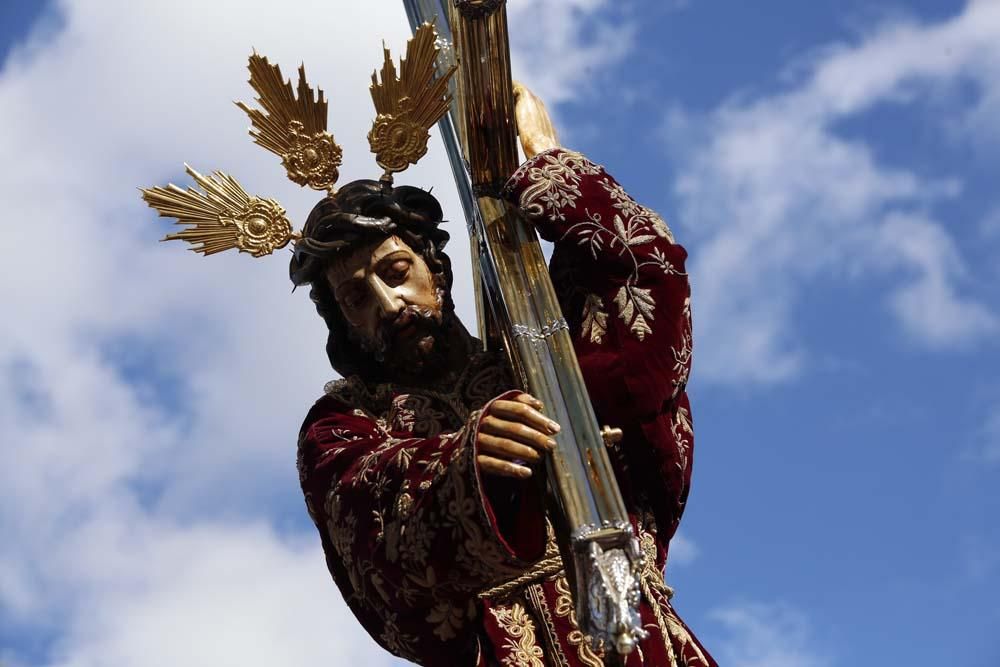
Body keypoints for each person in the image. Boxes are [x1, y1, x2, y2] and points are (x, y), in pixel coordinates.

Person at [293, 84, 716, 667]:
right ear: (341, 319)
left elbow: (645, 297)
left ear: (434, 271)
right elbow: (368, 527)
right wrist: (465, 460)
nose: (389, 305)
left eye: (396, 271)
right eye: (356, 298)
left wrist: (549, 164)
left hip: (641, 640)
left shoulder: (539, 359)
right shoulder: (345, 423)